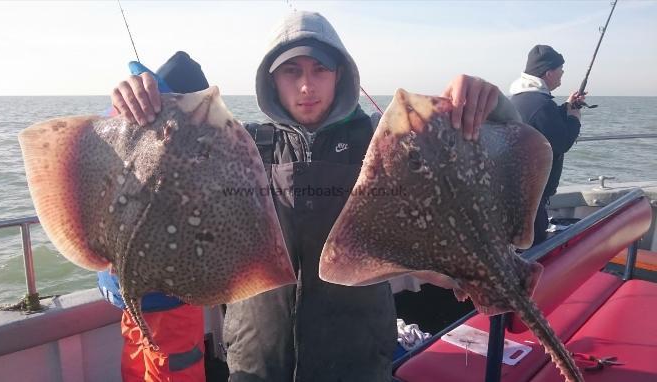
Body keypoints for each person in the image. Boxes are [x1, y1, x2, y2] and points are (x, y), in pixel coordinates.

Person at [111, 11, 510, 382]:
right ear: (272, 79)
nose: (306, 86)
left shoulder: (379, 142)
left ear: (340, 75)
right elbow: (154, 177)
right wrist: (139, 115)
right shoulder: (242, 144)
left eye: (320, 70)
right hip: (256, 362)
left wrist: (492, 107)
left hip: (357, 361)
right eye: (291, 72)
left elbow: (485, 162)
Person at [99, 51, 210, 382]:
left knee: (138, 360)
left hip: (121, 286)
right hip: (169, 294)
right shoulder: (182, 137)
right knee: (175, 368)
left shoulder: (121, 123)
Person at [509, 45, 585, 246]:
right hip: (531, 197)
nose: (562, 74)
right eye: (561, 69)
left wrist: (567, 107)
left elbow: (543, 123)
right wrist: (575, 117)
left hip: (515, 192)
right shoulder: (542, 105)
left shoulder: (520, 99)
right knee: (536, 244)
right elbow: (562, 142)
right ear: (549, 72)